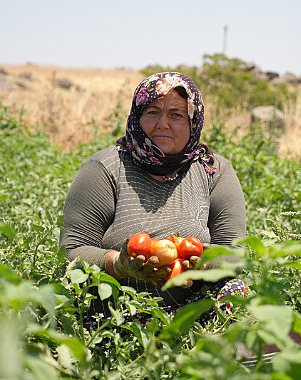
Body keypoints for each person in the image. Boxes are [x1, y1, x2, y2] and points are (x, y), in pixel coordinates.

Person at [60, 72, 247, 326]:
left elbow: (234, 255)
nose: (163, 124)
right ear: (136, 117)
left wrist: (199, 260)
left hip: (191, 314)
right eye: (152, 112)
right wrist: (119, 264)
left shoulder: (214, 171)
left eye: (176, 115)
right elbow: (71, 251)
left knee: (235, 291)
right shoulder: (104, 168)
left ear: (194, 121)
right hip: (112, 318)